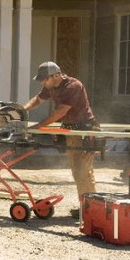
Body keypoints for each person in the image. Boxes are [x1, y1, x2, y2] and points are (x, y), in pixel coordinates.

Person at [25, 61, 98, 218]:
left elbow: (60, 112)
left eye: (45, 80)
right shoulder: (51, 86)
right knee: (76, 169)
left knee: (83, 170)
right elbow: (37, 99)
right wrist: (22, 110)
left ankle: (91, 209)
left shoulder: (73, 86)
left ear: (56, 75)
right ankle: (85, 207)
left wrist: (39, 126)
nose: (43, 83)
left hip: (84, 129)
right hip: (71, 129)